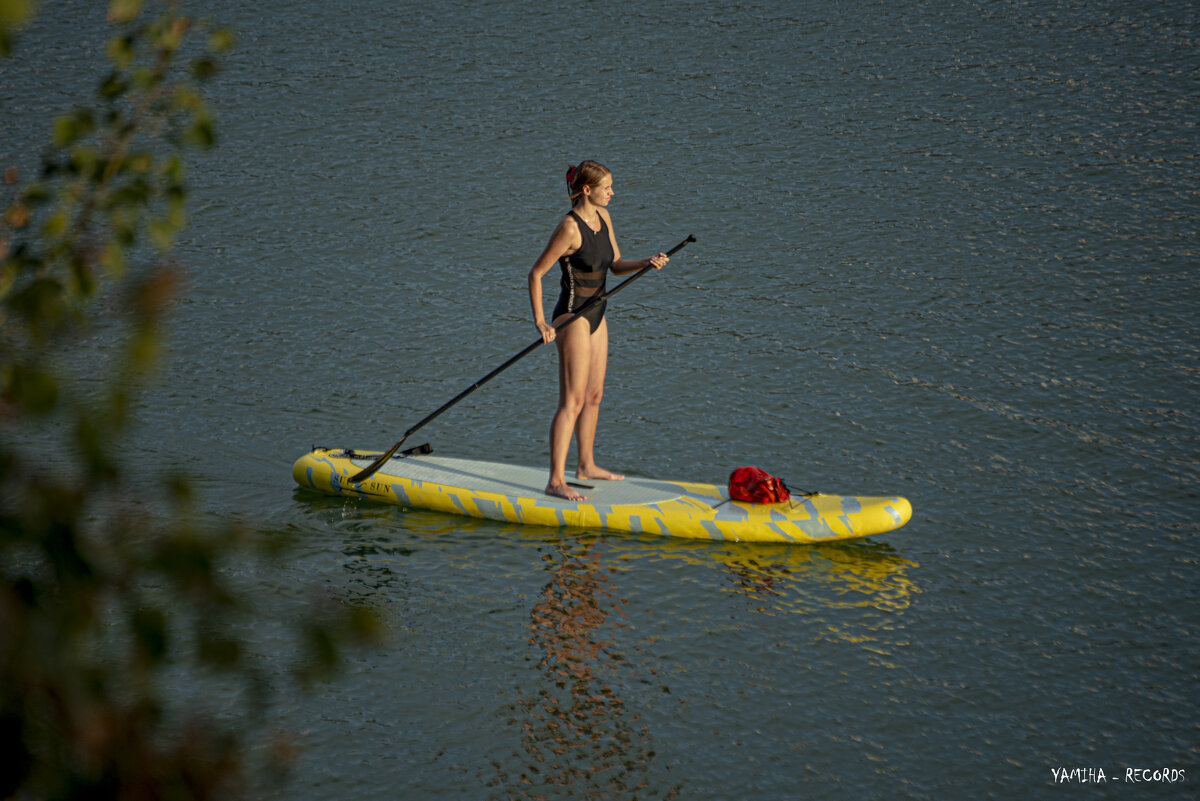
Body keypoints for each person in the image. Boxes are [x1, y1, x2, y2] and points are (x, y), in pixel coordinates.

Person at [528, 160, 668, 501]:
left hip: (599, 313)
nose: (613, 192)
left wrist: (646, 262)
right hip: (573, 316)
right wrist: (541, 322)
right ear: (587, 190)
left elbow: (616, 265)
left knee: (594, 395)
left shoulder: (604, 217)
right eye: (607, 187)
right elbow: (535, 274)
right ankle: (556, 480)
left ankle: (586, 465)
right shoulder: (569, 228)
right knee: (572, 401)